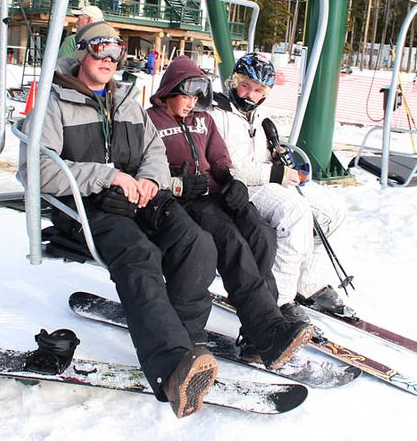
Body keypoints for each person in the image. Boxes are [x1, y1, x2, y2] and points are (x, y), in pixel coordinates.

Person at [18, 21, 220, 419]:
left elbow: (154, 152)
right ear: (82, 53)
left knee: (197, 243)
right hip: (83, 207)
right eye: (100, 49)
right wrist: (108, 176)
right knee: (139, 255)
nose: (110, 59)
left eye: (117, 52)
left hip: (136, 200)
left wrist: (149, 179)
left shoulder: (126, 98)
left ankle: (187, 343)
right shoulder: (54, 101)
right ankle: (170, 368)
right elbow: (36, 169)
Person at [147, 55, 313, 366]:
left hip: (214, 193)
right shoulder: (152, 122)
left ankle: (257, 329)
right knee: (233, 244)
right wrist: (181, 184)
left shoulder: (203, 119)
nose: (191, 103)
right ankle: (268, 329)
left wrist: (230, 181)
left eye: (197, 96)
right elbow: (146, 171)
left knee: (262, 236)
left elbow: (221, 159)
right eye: (186, 95)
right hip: (185, 201)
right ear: (169, 89)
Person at [211, 53, 349, 322]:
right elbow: (226, 165)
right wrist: (274, 172)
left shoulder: (260, 116)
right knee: (294, 212)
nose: (250, 95)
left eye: (259, 90)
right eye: (246, 85)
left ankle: (309, 283)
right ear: (234, 80)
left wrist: (277, 156)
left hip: (266, 179)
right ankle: (280, 300)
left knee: (334, 210)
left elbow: (262, 155)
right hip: (238, 187)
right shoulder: (217, 113)